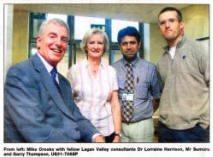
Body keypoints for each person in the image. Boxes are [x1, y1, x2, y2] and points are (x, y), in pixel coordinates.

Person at [4, 18, 105, 142]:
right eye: (52, 36)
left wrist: (95, 136)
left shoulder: (63, 82)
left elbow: (75, 116)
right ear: (39, 42)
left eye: (63, 39)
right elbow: (35, 131)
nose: (58, 43)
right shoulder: (20, 73)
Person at [157, 7, 209, 142]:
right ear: (159, 29)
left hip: (194, 131)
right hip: (165, 130)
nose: (167, 25)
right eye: (162, 23)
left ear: (181, 24)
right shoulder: (160, 61)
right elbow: (163, 93)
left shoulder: (200, 50)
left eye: (171, 20)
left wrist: (205, 122)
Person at [67, 28, 121, 142]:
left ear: (104, 47)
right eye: (91, 42)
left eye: (100, 43)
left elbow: (115, 104)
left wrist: (117, 134)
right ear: (85, 46)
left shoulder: (111, 71)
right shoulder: (74, 71)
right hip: (81, 133)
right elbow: (68, 105)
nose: (96, 46)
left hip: (107, 132)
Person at [112, 26, 160, 142]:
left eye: (132, 43)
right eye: (125, 43)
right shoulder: (112, 69)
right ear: (119, 46)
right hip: (119, 126)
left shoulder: (150, 68)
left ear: (139, 44)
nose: (129, 47)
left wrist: (143, 112)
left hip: (142, 125)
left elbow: (157, 97)